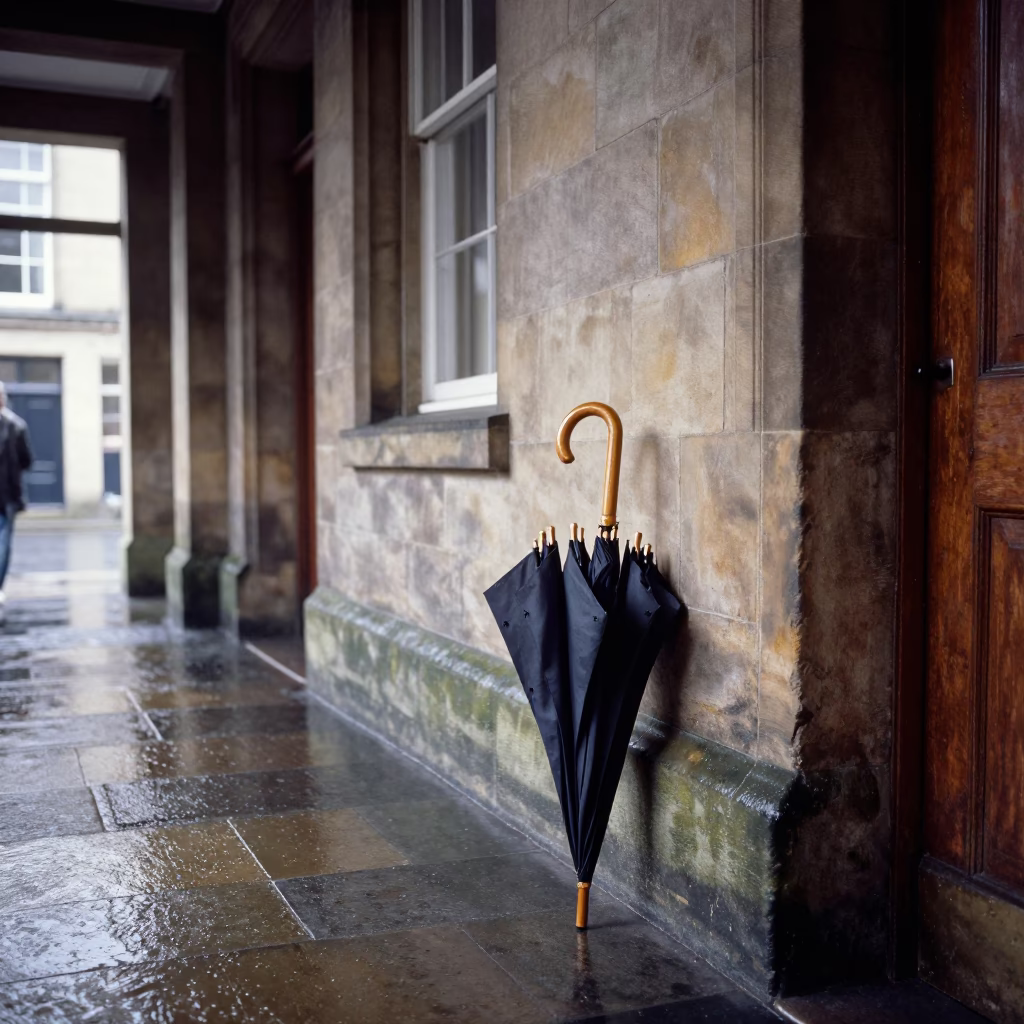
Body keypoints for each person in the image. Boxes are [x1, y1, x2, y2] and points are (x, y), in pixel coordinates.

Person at [0, 381, 33, 619]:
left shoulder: (16, 426)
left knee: (4, 544)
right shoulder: (16, 426)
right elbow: (27, 461)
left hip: (8, 494)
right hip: (8, 494)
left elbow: (25, 460)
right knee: (3, 544)